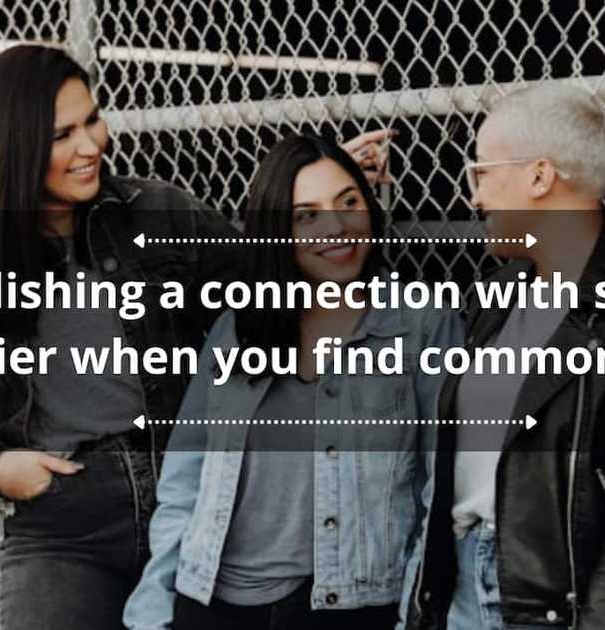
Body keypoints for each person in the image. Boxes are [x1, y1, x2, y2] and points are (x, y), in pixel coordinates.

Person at [0, 44, 392, 630]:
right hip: (65, 522)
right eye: (61, 135)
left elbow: (262, 284)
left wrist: (316, 195)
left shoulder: (159, 214)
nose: (91, 145)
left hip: (192, 505)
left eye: (92, 119)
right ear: (12, 147)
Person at [123, 135, 463, 630]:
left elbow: (441, 490)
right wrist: (154, 607)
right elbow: (185, 480)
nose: (337, 228)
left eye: (348, 203)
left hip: (346, 606)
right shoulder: (239, 326)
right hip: (209, 603)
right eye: (306, 214)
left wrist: (414, 612)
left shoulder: (421, 324)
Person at [412, 84, 605, 630]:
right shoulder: (495, 297)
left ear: (539, 177)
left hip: (569, 604)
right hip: (467, 585)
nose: (474, 197)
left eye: (483, 173)